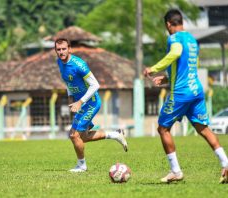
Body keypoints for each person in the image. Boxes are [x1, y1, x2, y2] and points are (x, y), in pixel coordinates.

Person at [143, 9, 228, 183]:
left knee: (163, 128)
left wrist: (153, 68)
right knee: (203, 129)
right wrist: (166, 78)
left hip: (181, 93)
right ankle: (226, 163)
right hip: (196, 90)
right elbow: (185, 68)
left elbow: (175, 53)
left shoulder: (174, 38)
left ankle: (175, 171)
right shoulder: (192, 40)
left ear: (168, 24)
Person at [55, 38, 128, 172]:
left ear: (69, 49)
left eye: (64, 49)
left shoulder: (79, 65)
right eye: (58, 50)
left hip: (90, 103)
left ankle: (82, 166)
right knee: (83, 137)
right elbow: (68, 82)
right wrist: (70, 97)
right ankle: (115, 134)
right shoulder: (59, 62)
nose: (61, 52)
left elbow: (95, 84)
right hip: (79, 103)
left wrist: (80, 102)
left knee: (73, 135)